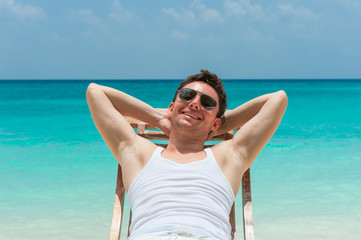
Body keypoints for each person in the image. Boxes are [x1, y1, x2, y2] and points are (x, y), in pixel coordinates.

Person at [86, 70, 288, 240]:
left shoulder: (228, 157)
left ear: (216, 123)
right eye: (187, 95)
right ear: (171, 108)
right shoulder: (138, 153)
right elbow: (95, 92)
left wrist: (216, 125)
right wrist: (159, 117)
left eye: (207, 102)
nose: (195, 103)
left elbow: (277, 99)